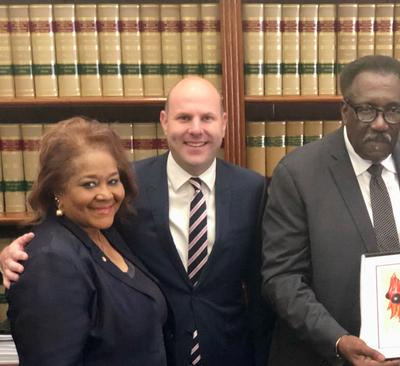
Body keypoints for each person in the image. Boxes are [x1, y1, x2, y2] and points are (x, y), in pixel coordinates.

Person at [2, 77, 273, 366]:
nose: (196, 129)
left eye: (206, 118)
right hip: (157, 351)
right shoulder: (131, 185)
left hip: (230, 353)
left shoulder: (253, 189)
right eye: (184, 118)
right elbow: (69, 238)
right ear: (165, 121)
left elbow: (260, 286)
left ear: (224, 123)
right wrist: (14, 255)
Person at [261, 55, 400, 366]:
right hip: (327, 355)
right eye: (366, 110)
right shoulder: (298, 174)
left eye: (392, 110)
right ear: (345, 110)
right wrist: (337, 340)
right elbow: (282, 278)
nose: (379, 123)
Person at [7, 117, 169, 364]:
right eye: (89, 184)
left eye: (113, 181)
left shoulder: (108, 233)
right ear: (57, 190)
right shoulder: (51, 261)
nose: (105, 194)